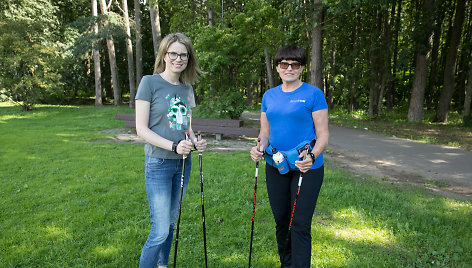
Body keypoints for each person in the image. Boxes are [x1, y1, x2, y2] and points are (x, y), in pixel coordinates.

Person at [250, 45, 329, 267]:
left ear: (302, 67)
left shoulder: (313, 94)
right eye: (284, 64)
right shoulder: (269, 96)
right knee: (282, 222)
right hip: (276, 165)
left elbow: (323, 134)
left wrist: (312, 156)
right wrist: (258, 147)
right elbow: (265, 134)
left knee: (300, 225)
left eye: (295, 64)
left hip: (307, 167)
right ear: (277, 67)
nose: (289, 68)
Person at [135, 32, 207, 268]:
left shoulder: (187, 89)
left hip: (182, 164)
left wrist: (196, 142)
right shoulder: (149, 82)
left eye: (183, 55)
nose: (178, 58)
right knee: (159, 230)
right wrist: (173, 146)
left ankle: (162, 265)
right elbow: (141, 129)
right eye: (173, 53)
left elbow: (186, 126)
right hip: (158, 163)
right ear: (164, 55)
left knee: (170, 224)